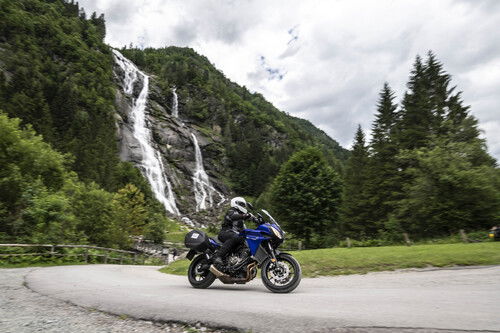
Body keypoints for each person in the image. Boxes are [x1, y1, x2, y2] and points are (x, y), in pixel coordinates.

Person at [213, 197, 254, 266]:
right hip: (225, 232)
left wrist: (256, 219)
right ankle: (218, 256)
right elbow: (232, 216)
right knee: (235, 237)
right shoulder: (231, 211)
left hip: (235, 235)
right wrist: (245, 215)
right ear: (236, 203)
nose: (243, 207)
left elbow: (245, 218)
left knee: (246, 242)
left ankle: (238, 263)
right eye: (242, 204)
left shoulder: (241, 216)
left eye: (244, 205)